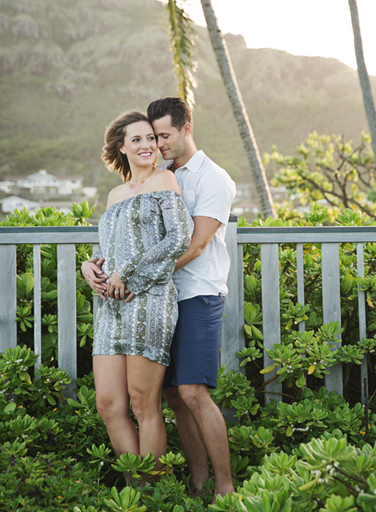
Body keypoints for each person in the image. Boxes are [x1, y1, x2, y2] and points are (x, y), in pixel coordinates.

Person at [80, 110, 192, 483]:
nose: (148, 146)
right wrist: (90, 266)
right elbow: (110, 249)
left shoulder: (165, 181)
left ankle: (152, 493)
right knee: (109, 404)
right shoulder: (115, 193)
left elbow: (177, 239)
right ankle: (137, 485)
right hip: (109, 307)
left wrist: (126, 275)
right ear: (121, 147)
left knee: (144, 403)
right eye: (138, 140)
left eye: (151, 138)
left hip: (149, 300)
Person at [147, 96, 237, 500]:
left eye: (164, 134)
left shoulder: (213, 178)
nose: (159, 143)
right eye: (154, 136)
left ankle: (226, 487)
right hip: (163, 299)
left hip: (199, 294)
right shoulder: (162, 175)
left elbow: (199, 245)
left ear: (186, 128)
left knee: (193, 392)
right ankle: (198, 483)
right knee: (170, 393)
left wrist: (142, 276)